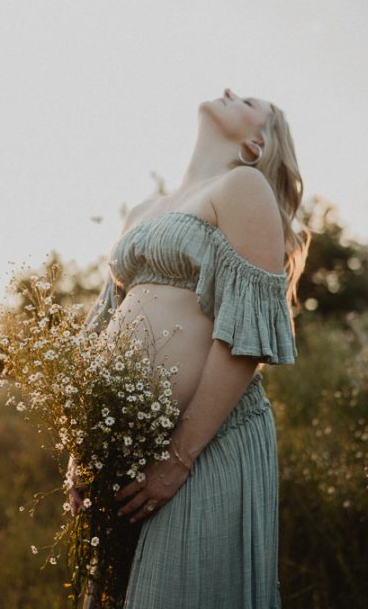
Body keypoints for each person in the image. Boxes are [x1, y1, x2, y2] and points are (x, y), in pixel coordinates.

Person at [67, 88, 311, 609]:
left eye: (250, 101)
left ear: (255, 145)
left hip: (207, 441)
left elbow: (246, 340)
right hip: (128, 445)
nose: (231, 91)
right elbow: (101, 329)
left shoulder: (242, 187)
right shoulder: (143, 210)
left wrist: (178, 457)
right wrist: (82, 452)